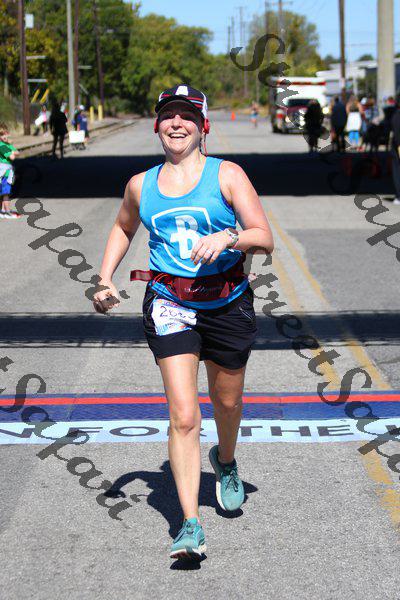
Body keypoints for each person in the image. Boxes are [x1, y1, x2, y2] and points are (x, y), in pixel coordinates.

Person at [93, 84, 274, 559]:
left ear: (202, 125)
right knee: (184, 415)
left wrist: (229, 238)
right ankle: (190, 525)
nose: (177, 123)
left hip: (227, 301)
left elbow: (264, 236)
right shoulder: (141, 184)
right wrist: (104, 278)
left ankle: (226, 460)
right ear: (158, 126)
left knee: (227, 401)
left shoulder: (227, 175)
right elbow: (123, 226)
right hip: (169, 302)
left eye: (186, 116)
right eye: (169, 116)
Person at [0, 122, 21, 219]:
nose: (4, 136)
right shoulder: (2, 146)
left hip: (6, 173)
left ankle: (2, 211)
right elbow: (13, 156)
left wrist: (11, 149)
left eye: (5, 134)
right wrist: (12, 150)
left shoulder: (6, 144)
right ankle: (7, 212)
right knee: (6, 193)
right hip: (4, 173)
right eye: (1, 135)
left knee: (3, 192)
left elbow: (18, 152)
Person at [391, 96, 400, 205]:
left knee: (397, 171)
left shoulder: (396, 116)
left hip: (398, 147)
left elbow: (397, 135)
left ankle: (399, 196)